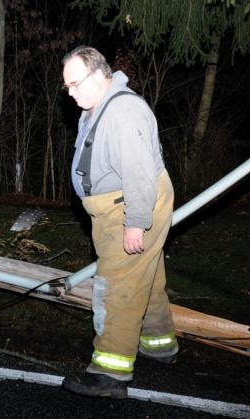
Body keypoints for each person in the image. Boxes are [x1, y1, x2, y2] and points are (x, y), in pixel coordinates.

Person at [60, 46, 178, 398]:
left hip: (130, 206)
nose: (71, 92)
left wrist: (135, 223)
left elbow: (139, 173)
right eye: (66, 86)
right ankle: (159, 345)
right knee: (147, 275)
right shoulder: (97, 105)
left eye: (75, 83)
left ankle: (109, 375)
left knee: (117, 288)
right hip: (113, 207)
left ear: (99, 75)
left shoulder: (124, 112)